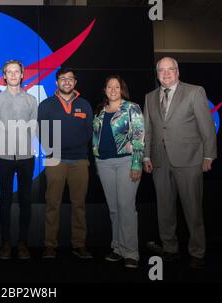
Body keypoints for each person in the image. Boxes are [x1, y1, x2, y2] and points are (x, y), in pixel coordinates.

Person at [143, 57, 217, 269]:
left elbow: (207, 126)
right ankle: (170, 248)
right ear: (157, 74)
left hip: (190, 159)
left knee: (192, 208)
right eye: (161, 70)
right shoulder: (149, 97)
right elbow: (148, 130)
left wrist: (209, 155)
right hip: (159, 160)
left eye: (170, 70)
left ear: (178, 72)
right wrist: (146, 156)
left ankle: (197, 251)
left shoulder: (195, 92)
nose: (166, 74)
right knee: (164, 208)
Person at [37, 67, 93, 259]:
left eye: (70, 79)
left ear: (75, 82)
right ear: (56, 82)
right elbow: (41, 131)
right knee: (53, 204)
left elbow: (89, 132)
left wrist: (74, 146)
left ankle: (79, 245)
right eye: (63, 78)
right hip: (55, 160)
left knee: (79, 205)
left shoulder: (85, 105)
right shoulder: (46, 104)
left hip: (79, 161)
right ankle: (50, 245)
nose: (66, 82)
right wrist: (52, 150)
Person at [92, 75, 145, 269]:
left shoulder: (132, 108)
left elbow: (139, 137)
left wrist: (137, 163)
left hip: (126, 162)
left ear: (122, 89)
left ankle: (131, 252)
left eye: (116, 87)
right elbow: (96, 138)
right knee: (113, 209)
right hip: (104, 164)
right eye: (109, 87)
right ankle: (118, 248)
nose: (113, 90)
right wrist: (97, 163)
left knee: (126, 207)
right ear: (105, 90)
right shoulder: (99, 110)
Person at [0, 60, 37, 260]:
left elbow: (34, 128)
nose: (12, 75)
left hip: (26, 157)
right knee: (5, 201)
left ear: (22, 75)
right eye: (9, 72)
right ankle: (5, 244)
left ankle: (22, 244)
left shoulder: (31, 101)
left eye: (16, 72)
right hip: (3, 157)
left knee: (25, 202)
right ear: (4, 75)